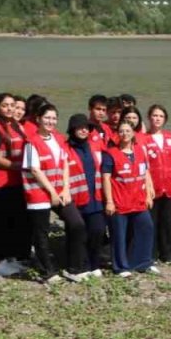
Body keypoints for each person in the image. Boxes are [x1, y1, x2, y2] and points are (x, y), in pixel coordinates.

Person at [23, 103, 91, 283]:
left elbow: (65, 164)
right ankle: (48, 271)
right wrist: (52, 192)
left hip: (60, 191)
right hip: (38, 193)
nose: (50, 121)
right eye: (47, 118)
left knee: (77, 224)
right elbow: (35, 170)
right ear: (38, 119)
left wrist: (66, 188)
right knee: (41, 233)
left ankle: (74, 268)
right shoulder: (31, 142)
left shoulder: (59, 139)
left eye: (53, 118)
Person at [0, 92, 29, 277]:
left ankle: (12, 259)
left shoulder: (15, 126)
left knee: (14, 221)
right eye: (5, 105)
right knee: (1, 222)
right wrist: (17, 166)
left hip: (14, 182)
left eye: (11, 105)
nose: (9, 108)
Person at [65, 113, 106, 278]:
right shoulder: (65, 148)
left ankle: (93, 263)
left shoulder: (94, 146)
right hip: (75, 199)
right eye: (80, 127)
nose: (83, 130)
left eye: (86, 128)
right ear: (72, 129)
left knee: (97, 230)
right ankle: (76, 265)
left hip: (95, 197)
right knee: (77, 233)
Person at [140, 104, 171, 263]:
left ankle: (167, 253)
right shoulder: (144, 138)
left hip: (169, 187)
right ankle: (151, 254)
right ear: (149, 118)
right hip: (152, 188)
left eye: (161, 116)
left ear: (165, 120)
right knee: (152, 222)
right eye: (155, 115)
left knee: (167, 222)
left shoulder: (170, 137)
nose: (157, 119)